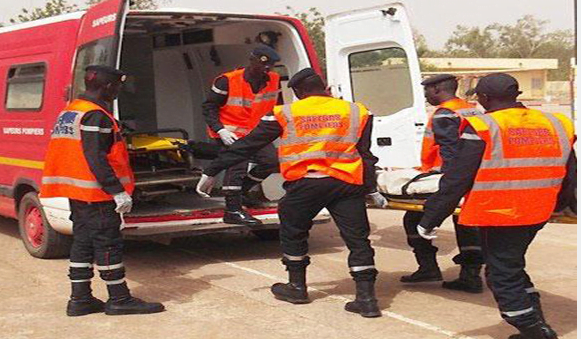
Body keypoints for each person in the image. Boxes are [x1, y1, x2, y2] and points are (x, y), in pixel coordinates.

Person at [196, 68, 388, 318]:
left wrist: (211, 171)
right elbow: (365, 155)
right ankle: (367, 299)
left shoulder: (284, 113)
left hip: (305, 185)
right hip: (346, 184)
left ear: (297, 92)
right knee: (358, 239)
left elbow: (246, 146)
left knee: (293, 233)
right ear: (326, 89)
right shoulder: (357, 111)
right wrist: (371, 188)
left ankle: (297, 287)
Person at [417, 73, 575, 339]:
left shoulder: (484, 125)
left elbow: (457, 178)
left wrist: (430, 219)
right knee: (511, 266)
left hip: (500, 212)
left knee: (501, 276)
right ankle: (539, 324)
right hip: (538, 210)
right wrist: (565, 206)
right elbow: (569, 169)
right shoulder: (555, 122)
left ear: (485, 98)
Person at [40, 65, 165, 317]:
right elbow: (95, 157)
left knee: (83, 243)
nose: (118, 91)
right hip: (97, 194)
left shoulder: (71, 110)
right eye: (117, 86)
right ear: (108, 86)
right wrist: (116, 190)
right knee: (108, 244)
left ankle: (80, 299)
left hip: (78, 193)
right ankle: (119, 299)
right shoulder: (96, 115)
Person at [400, 74, 484, 293]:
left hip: (447, 178)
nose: (426, 95)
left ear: (437, 89)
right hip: (473, 175)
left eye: (427, 90)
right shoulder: (471, 108)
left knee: (414, 218)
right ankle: (471, 275)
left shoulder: (444, 114)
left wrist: (449, 184)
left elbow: (450, 151)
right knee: (466, 225)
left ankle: (428, 267)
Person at [202, 45, 282, 226]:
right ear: (251, 60)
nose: (266, 70)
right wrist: (220, 129)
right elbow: (209, 107)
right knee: (237, 166)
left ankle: (242, 192)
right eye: (262, 65)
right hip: (231, 133)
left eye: (270, 66)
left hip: (256, 134)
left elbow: (277, 105)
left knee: (271, 161)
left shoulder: (274, 79)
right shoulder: (227, 81)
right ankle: (232, 210)